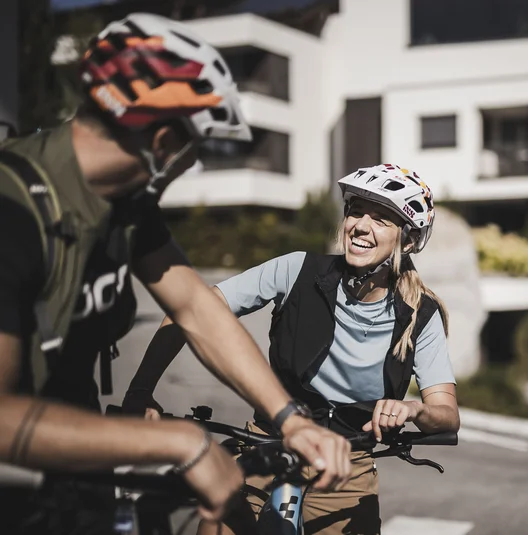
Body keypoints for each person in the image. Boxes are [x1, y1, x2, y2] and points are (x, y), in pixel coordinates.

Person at [0, 13, 350, 535]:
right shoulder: (14, 212)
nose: (195, 165)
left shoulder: (123, 206)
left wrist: (289, 419)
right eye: (197, 148)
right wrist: (183, 443)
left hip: (73, 479)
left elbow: (194, 306)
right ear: (164, 141)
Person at [123, 164, 461, 535]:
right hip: (267, 444)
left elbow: (446, 413)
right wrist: (140, 391)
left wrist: (412, 409)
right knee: (214, 521)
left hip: (344, 464)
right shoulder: (297, 270)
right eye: (355, 211)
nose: (361, 226)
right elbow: (190, 310)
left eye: (381, 219)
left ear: (408, 240)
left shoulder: (421, 314)